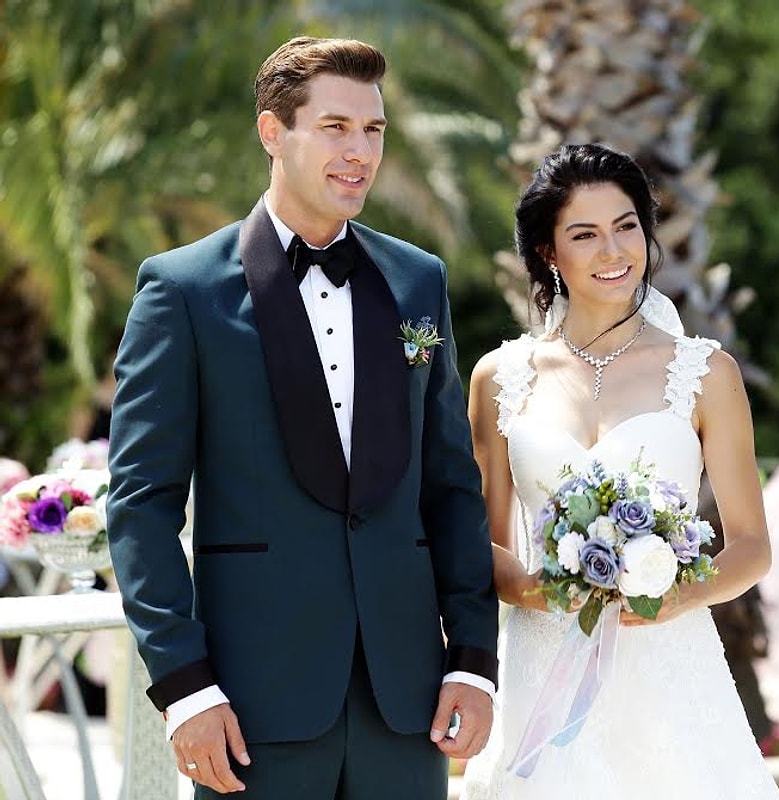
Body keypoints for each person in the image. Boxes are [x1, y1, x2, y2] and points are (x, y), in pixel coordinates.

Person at [106, 37, 498, 798]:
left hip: (408, 705)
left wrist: (474, 661)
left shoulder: (419, 281)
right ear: (272, 132)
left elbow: (451, 485)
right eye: (335, 128)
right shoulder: (182, 291)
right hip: (248, 704)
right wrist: (184, 685)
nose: (360, 153)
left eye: (373, 130)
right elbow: (141, 504)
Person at [462, 143, 779, 798]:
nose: (613, 251)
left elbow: (752, 547)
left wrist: (676, 595)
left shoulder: (706, 373)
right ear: (549, 252)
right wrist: (534, 589)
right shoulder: (499, 378)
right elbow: (482, 543)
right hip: (539, 667)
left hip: (669, 667)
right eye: (585, 234)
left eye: (626, 226)